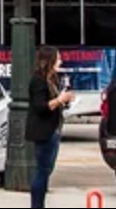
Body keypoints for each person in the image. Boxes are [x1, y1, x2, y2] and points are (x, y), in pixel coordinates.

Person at [25, 45, 74, 209]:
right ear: (49, 60)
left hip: (53, 128)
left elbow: (55, 104)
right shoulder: (38, 80)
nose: (61, 61)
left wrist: (65, 100)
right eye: (58, 58)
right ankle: (36, 204)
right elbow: (40, 107)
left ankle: (40, 202)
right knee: (42, 169)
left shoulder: (52, 79)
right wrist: (60, 100)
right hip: (43, 130)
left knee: (47, 169)